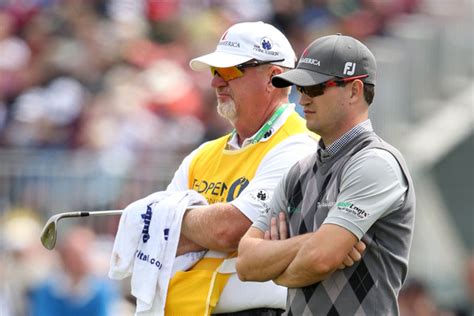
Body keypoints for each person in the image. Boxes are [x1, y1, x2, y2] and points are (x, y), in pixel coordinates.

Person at [162, 23, 363, 315]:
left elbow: (228, 231)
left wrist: (180, 220)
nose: (215, 82)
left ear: (274, 79)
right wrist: (197, 226)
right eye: (214, 72)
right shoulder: (201, 155)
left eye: (229, 71)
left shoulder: (302, 147)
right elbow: (158, 237)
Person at [236, 34, 416, 316]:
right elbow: (246, 263)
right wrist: (310, 242)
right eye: (300, 87)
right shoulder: (298, 172)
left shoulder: (376, 163)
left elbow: (320, 260)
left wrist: (279, 269)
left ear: (355, 91)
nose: (302, 97)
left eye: (316, 87)